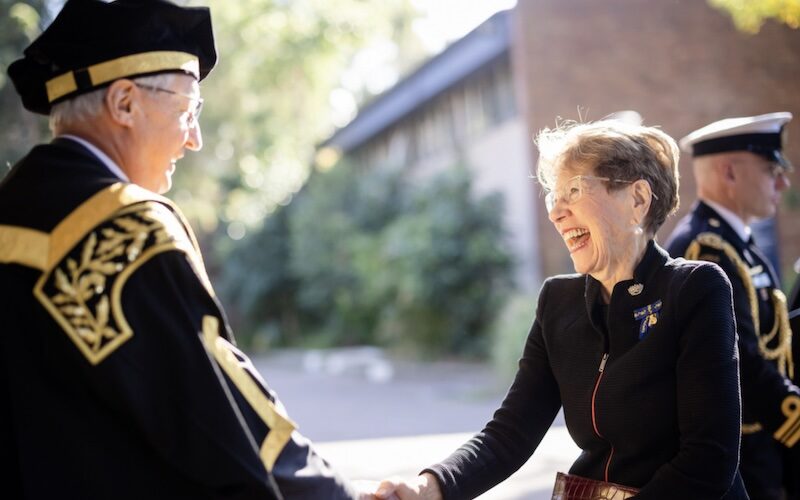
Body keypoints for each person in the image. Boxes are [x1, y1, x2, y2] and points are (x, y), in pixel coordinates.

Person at [0, 1, 381, 498]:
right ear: (125, 104)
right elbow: (228, 423)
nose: (194, 139)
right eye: (187, 110)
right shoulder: (127, 230)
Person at [375, 119, 748, 499]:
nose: (556, 213)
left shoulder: (696, 288)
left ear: (637, 199)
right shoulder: (558, 301)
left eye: (574, 190)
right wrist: (429, 487)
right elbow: (511, 433)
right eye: (555, 196)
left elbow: (708, 461)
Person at [665, 112, 800, 500]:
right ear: (729, 173)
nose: (783, 182)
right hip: (740, 460)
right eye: (771, 169)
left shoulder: (736, 241)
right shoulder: (705, 249)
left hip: (764, 452)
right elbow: (741, 361)